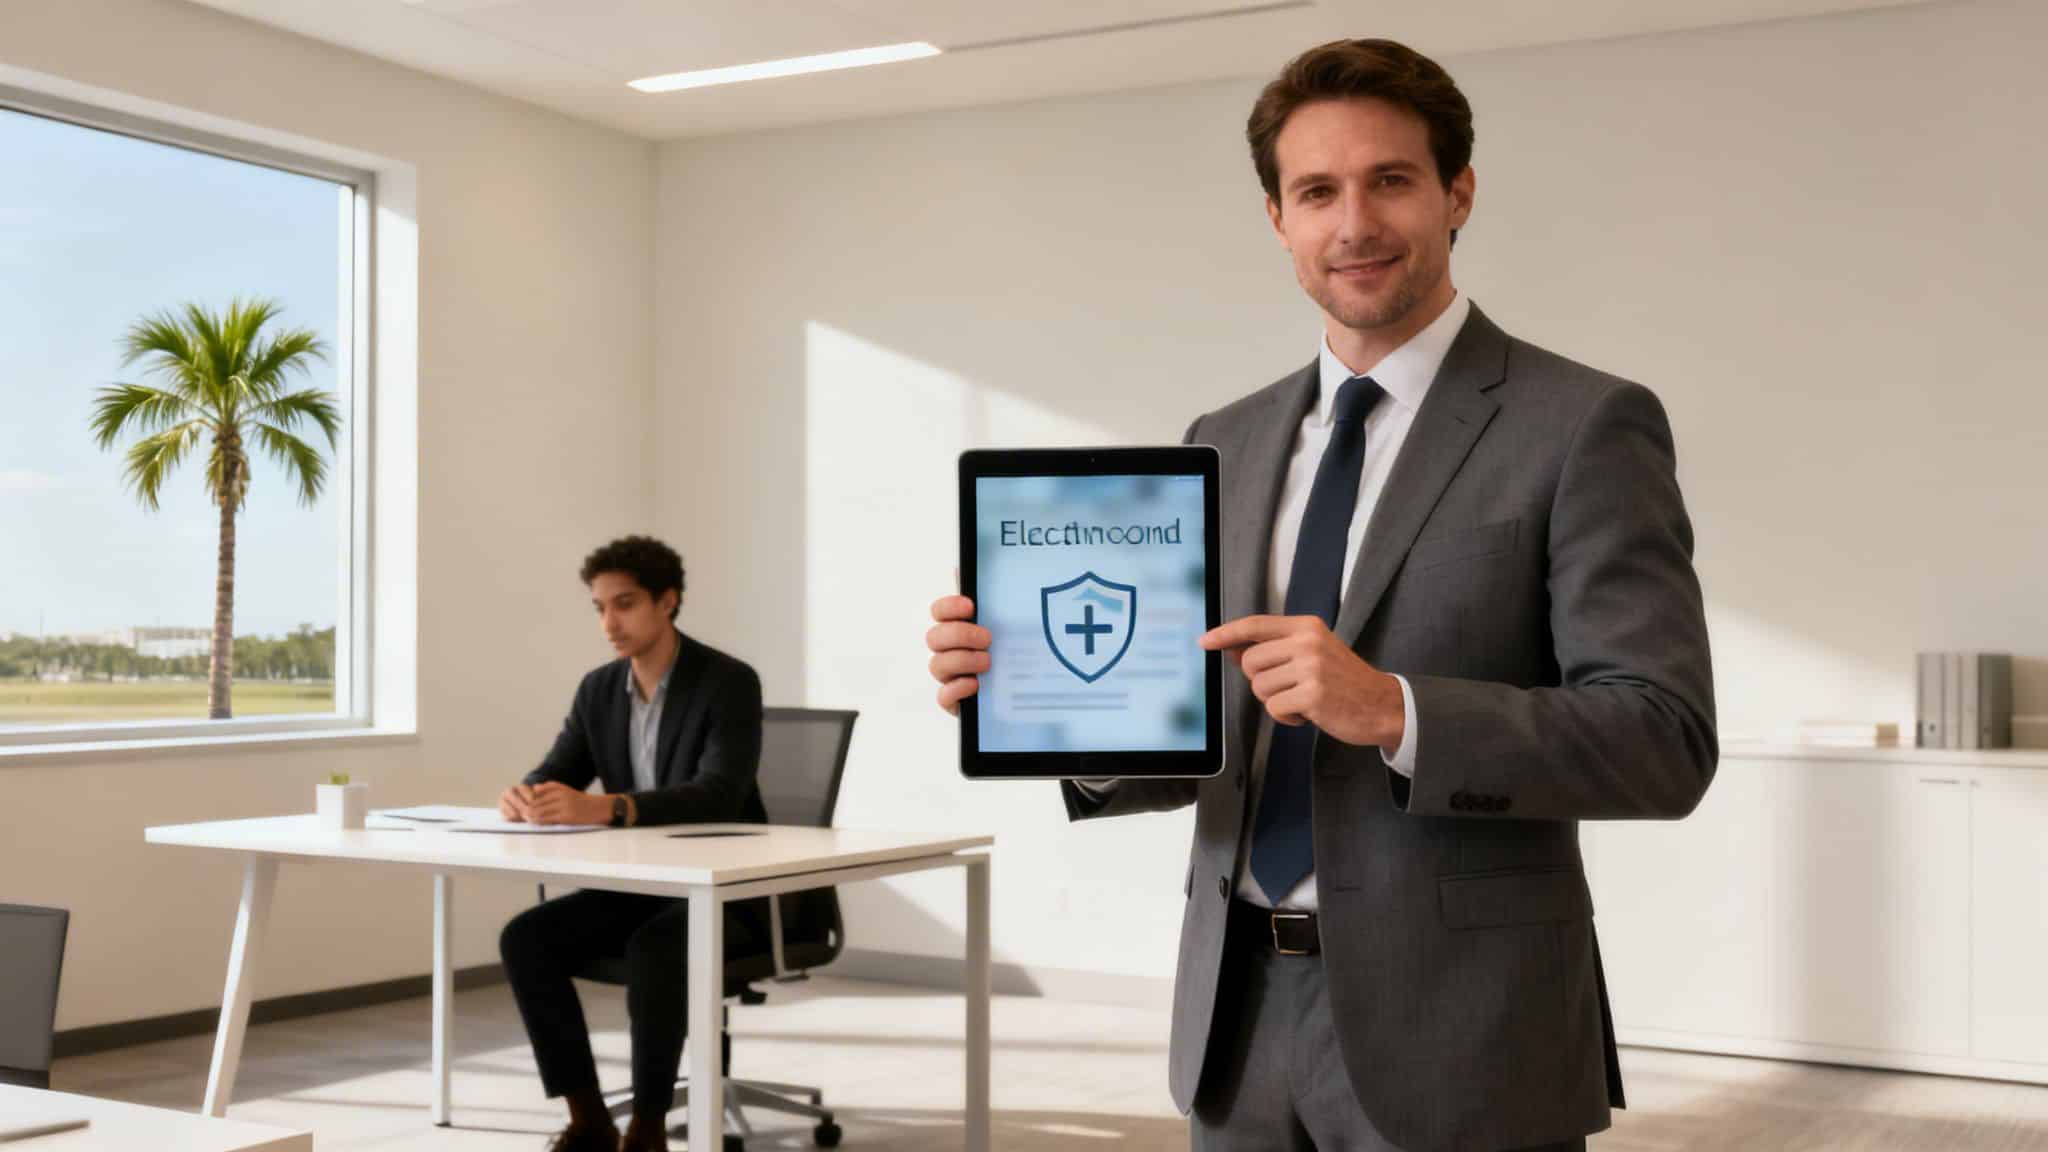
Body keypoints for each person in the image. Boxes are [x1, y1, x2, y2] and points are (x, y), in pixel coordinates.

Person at [925, 38, 1717, 1152]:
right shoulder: (1223, 442)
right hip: (1234, 1018)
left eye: (1389, 180)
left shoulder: (1581, 424)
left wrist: (1395, 711)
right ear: (1277, 219)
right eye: (1316, 191)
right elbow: (1195, 735)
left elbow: (1661, 738)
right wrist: (1036, 703)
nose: (1353, 223)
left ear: (1457, 194)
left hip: (1464, 1027)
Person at [498, 535, 766, 1152]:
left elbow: (719, 793)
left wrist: (610, 807)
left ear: (667, 601)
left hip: (731, 892)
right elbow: (557, 769)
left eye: (624, 604)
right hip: (642, 887)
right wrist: (525, 795)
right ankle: (589, 1118)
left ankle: (648, 1130)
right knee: (526, 938)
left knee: (658, 946)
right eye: (598, 607)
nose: (609, 623)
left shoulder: (727, 682)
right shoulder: (598, 690)